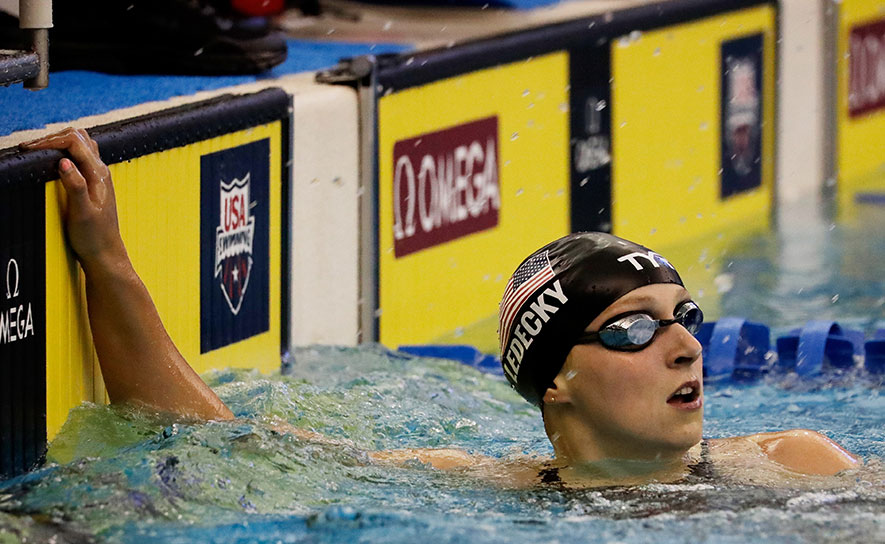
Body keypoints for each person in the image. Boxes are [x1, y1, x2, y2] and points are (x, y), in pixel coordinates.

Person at [21, 127, 860, 487]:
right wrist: (107, 261)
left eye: (687, 318)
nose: (683, 348)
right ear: (553, 381)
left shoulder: (795, 463)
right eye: (634, 328)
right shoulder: (484, 490)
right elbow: (221, 439)